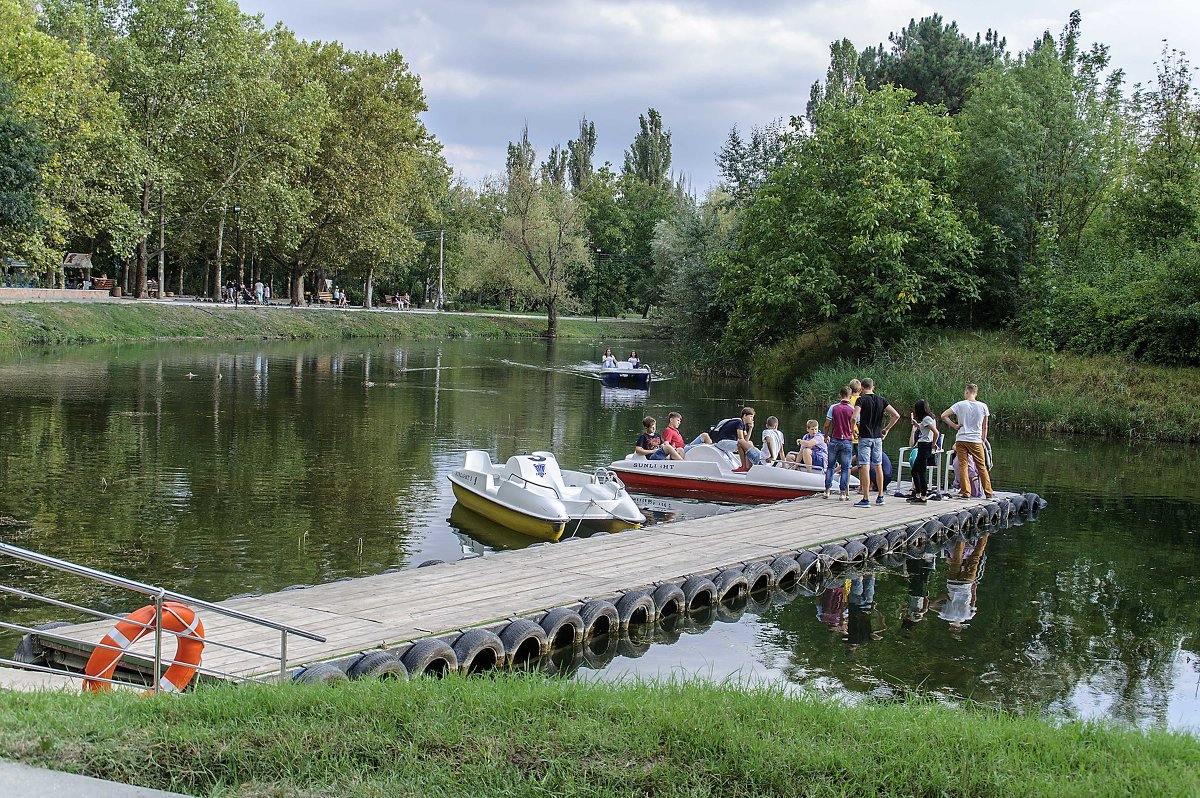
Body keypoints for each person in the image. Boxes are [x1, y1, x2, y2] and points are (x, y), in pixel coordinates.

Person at [940, 383, 994, 500]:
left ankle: (966, 491)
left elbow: (943, 415)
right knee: (981, 466)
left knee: (963, 465)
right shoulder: (983, 406)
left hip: (961, 439)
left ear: (967, 392)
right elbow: (985, 426)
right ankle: (988, 492)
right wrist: (983, 438)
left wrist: (954, 425)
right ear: (976, 393)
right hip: (976, 440)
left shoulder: (960, 405)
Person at [853, 378, 900, 507]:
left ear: (862, 388)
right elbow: (896, 415)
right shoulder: (882, 400)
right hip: (878, 437)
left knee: (865, 466)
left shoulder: (861, 399)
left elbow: (853, 417)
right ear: (873, 387)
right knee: (878, 465)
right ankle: (880, 496)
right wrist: (886, 429)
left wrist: (853, 430)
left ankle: (866, 498)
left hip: (864, 437)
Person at [696, 407, 761, 471]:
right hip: (721, 442)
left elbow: (745, 441)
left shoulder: (742, 424)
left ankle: (748, 467)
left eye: (752, 417)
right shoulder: (739, 422)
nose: (752, 419)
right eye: (751, 416)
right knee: (741, 443)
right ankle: (744, 466)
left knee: (749, 443)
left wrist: (751, 428)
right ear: (744, 416)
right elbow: (741, 440)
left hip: (725, 442)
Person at [823, 387, 856, 500]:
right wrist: (855, 433)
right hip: (847, 440)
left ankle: (827, 490)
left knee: (830, 466)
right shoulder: (853, 409)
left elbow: (827, 424)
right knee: (845, 468)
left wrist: (825, 436)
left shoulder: (833, 407)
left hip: (834, 439)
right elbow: (857, 423)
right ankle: (842, 493)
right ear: (850, 396)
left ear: (840, 395)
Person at [908, 399, 939, 503]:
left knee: (921, 472)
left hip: (925, 445)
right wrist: (916, 424)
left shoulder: (927, 419)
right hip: (923, 445)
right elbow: (924, 429)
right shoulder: (929, 418)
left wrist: (933, 444)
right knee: (915, 470)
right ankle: (918, 493)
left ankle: (923, 496)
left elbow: (936, 433)